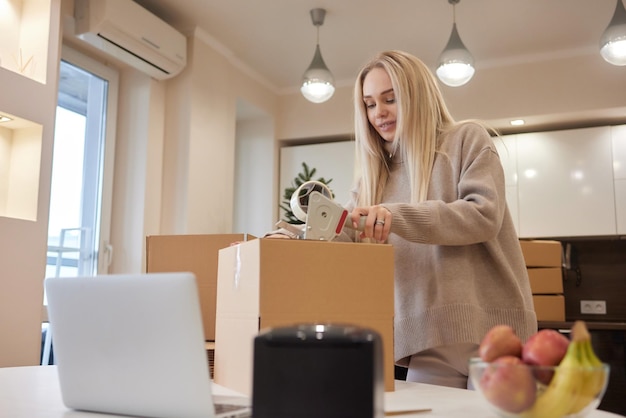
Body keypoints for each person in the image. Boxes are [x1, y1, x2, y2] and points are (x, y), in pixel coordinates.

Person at [270, 50, 538, 389]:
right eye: (369, 104)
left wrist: (394, 215)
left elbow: (482, 215)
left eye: (390, 99)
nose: (378, 112)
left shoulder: (467, 139)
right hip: (427, 338)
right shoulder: (371, 179)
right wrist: (288, 238)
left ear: (417, 96)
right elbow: (341, 230)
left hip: (494, 330)